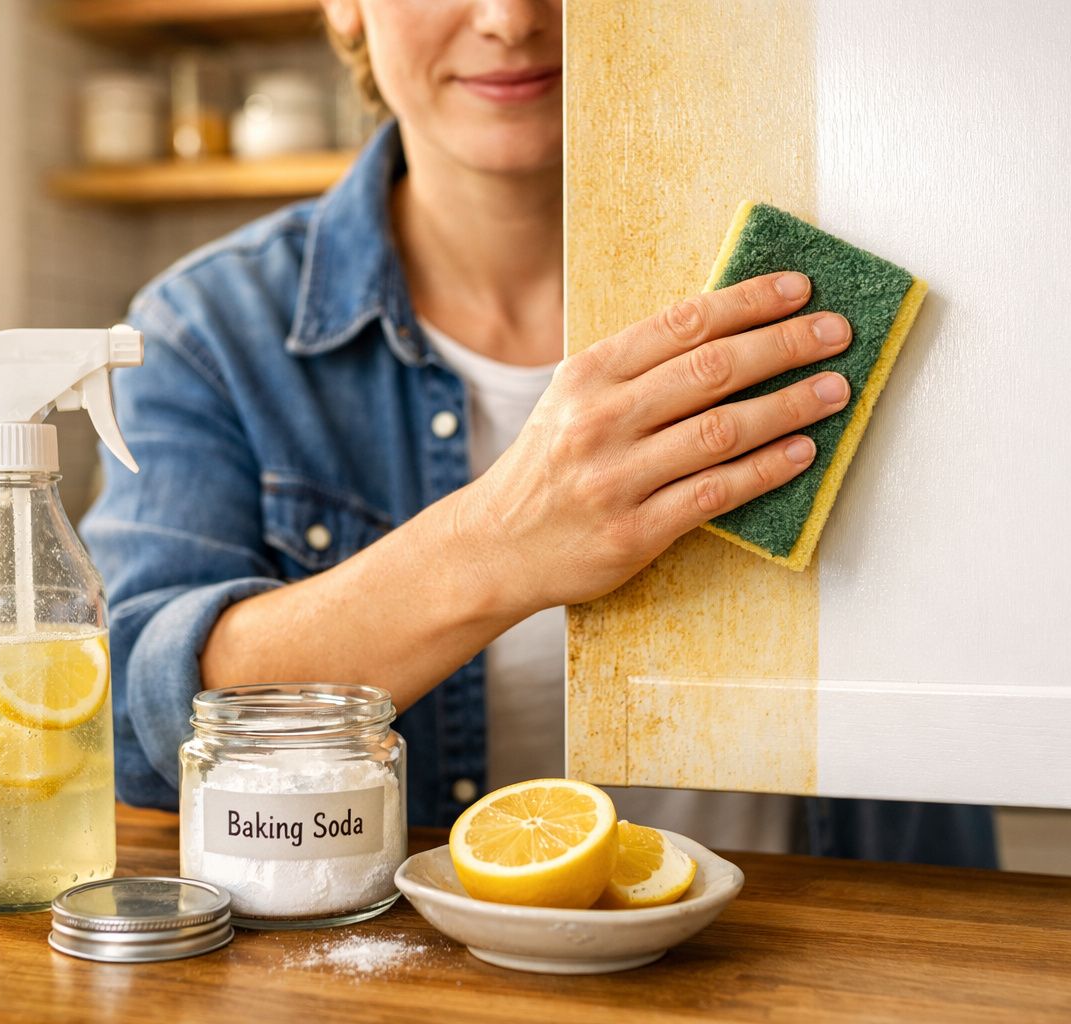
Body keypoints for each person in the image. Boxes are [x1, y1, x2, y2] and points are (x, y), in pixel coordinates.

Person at [82, 0, 995, 866]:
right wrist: (498, 544)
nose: (512, 20)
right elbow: (115, 717)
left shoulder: (838, 277)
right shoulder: (207, 332)